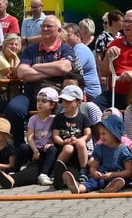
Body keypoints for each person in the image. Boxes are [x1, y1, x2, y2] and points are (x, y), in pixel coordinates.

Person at [4, 15, 78, 144]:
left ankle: (57, 148)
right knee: (13, 109)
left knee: (63, 109)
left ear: (59, 30)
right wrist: (54, 71)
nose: (44, 28)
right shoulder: (31, 50)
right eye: (43, 26)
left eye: (49, 26)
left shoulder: (65, 49)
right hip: (31, 93)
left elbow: (65, 67)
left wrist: (36, 67)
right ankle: (20, 147)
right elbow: (22, 72)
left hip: (58, 96)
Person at [62, 113, 132, 194]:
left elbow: (128, 172)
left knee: (120, 181)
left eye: (104, 134)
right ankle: (78, 188)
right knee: (93, 182)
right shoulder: (100, 148)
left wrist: (113, 174)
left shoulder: (123, 150)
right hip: (102, 176)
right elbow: (93, 166)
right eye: (100, 134)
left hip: (117, 176)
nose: (101, 137)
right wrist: (95, 172)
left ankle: (111, 188)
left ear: (114, 134)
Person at [50, 85, 92, 186]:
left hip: (79, 150)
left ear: (78, 102)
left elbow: (88, 135)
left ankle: (83, 170)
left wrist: (78, 140)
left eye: (68, 101)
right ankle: (56, 170)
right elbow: (55, 136)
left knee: (81, 143)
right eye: (63, 101)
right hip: (64, 148)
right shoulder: (59, 118)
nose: (65, 104)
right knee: (68, 148)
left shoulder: (83, 118)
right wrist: (63, 142)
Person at [61, 23, 102, 104]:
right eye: (64, 35)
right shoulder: (73, 50)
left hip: (89, 93)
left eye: (68, 35)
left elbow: (71, 70)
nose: (65, 38)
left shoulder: (80, 49)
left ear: (78, 36)